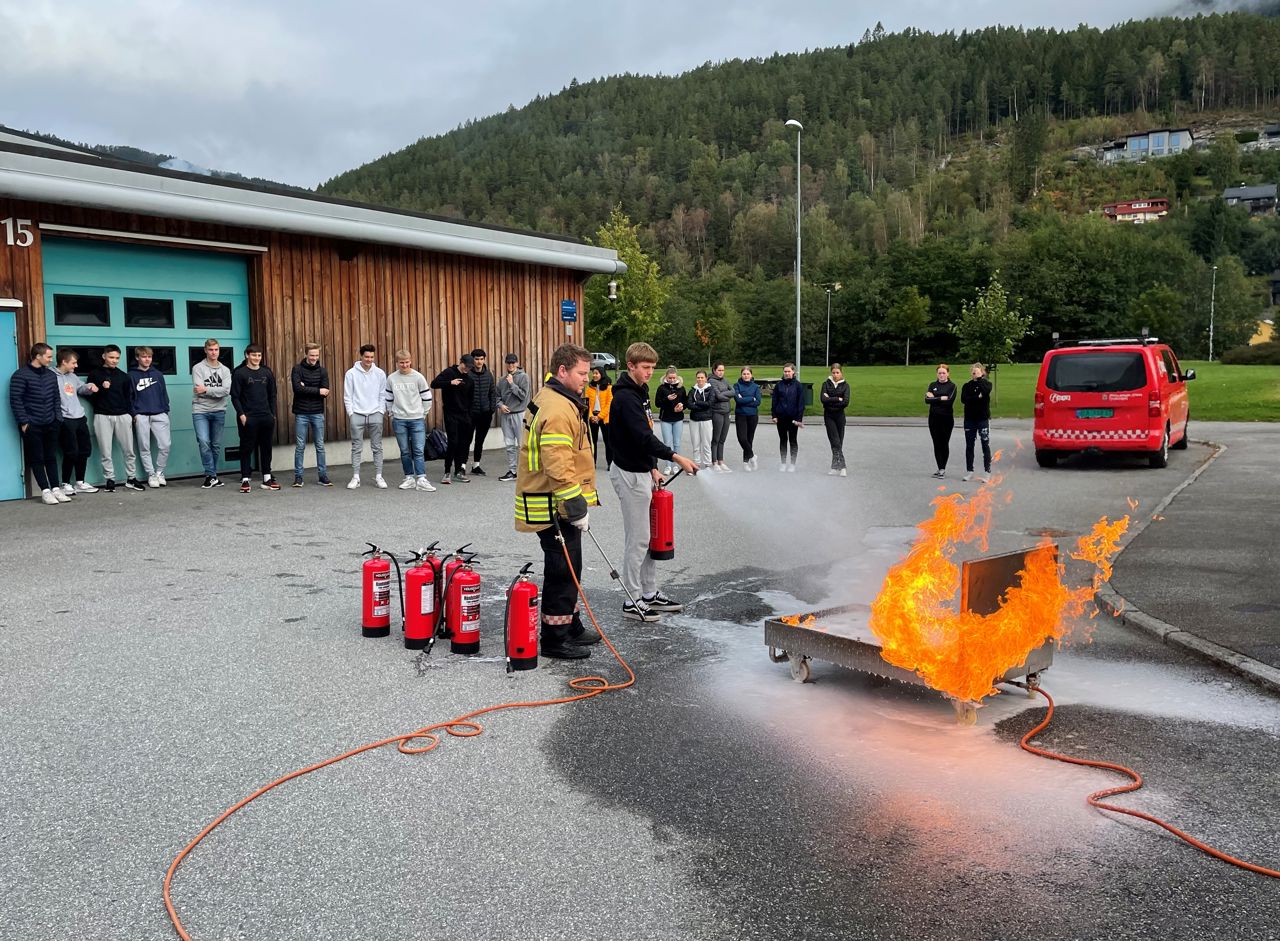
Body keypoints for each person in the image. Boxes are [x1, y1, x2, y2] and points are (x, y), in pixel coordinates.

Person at [514, 343, 600, 659]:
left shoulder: (558, 398)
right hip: (554, 507)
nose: (585, 380)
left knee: (570, 566)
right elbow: (556, 462)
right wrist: (574, 506)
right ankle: (554, 639)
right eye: (580, 374)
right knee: (562, 569)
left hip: (555, 503)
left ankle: (571, 625)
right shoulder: (558, 408)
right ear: (562, 371)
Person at [608, 342, 699, 622]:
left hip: (641, 470)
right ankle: (631, 600)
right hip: (627, 473)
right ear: (631, 366)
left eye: (652, 368)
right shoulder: (625, 398)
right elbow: (643, 438)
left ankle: (649, 594)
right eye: (645, 367)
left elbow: (644, 433)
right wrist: (676, 457)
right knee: (638, 540)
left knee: (649, 538)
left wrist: (653, 468)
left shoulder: (641, 391)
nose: (650, 372)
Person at [9, 342, 67, 504]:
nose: (51, 360)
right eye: (48, 357)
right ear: (38, 356)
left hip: (51, 422)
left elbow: (56, 398)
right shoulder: (20, 375)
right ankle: (45, 491)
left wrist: (58, 418)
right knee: (37, 458)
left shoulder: (50, 375)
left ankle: (56, 488)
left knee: (51, 456)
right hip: (32, 424)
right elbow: (16, 399)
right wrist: (24, 422)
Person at [86, 345, 140, 492]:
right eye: (111, 357)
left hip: (123, 415)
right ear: (104, 356)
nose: (114, 360)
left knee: (129, 449)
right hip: (102, 415)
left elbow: (129, 397)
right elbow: (90, 396)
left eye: (117, 358)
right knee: (105, 450)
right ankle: (110, 479)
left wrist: (131, 414)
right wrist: (103, 388)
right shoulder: (95, 374)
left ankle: (131, 478)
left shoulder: (123, 376)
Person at [231, 345, 280, 492]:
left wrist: (272, 414)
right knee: (246, 448)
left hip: (266, 417)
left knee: (266, 448)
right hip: (248, 417)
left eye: (259, 355)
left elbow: (272, 395)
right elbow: (235, 397)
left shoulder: (267, 372)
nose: (257, 358)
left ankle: (267, 478)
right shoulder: (240, 373)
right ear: (247, 355)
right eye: (254, 355)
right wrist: (241, 414)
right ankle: (245, 479)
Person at [386, 349, 435, 492]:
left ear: (411, 361)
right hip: (399, 419)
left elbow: (427, 398)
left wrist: (423, 413)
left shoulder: (418, 377)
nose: (404, 365)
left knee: (418, 450)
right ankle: (409, 478)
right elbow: (388, 398)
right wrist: (391, 414)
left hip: (417, 419)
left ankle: (421, 478)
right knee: (405, 451)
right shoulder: (391, 378)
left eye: (407, 362)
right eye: (401, 362)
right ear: (397, 363)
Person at [344, 344, 388, 489]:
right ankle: (355, 477)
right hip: (357, 414)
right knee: (356, 447)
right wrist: (351, 413)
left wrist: (381, 411)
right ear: (361, 356)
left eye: (371, 357)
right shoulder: (351, 373)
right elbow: (347, 396)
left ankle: (379, 476)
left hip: (375, 413)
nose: (369, 359)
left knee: (377, 447)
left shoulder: (380, 373)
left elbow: (383, 394)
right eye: (366, 357)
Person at [54, 349, 97, 494]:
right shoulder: (51, 376)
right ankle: (65, 483)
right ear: (64, 361)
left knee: (84, 450)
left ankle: (80, 482)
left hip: (79, 418)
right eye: (73, 362)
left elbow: (80, 388)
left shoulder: (72, 376)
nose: (76, 365)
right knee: (71, 452)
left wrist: (89, 387)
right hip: (65, 419)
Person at [290, 342, 332, 487]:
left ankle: (322, 476)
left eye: (316, 355)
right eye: (312, 355)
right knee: (300, 446)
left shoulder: (322, 371)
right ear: (306, 354)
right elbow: (297, 389)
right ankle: (298, 477)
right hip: (301, 412)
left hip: (317, 412)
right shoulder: (297, 369)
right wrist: (317, 390)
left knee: (320, 445)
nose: (314, 358)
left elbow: (325, 391)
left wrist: (305, 387)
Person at [128, 346, 171, 488]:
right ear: (137, 358)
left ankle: (160, 472)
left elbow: (164, 393)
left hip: (159, 413)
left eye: (149, 357)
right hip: (141, 415)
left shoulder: (158, 374)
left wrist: (165, 409)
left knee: (165, 445)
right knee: (144, 446)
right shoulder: (132, 375)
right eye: (144, 356)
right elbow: (129, 397)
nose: (147, 359)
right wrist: (134, 414)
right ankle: (151, 474)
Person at [192, 339, 232, 488]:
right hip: (200, 410)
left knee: (215, 445)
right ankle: (212, 475)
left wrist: (207, 390)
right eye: (211, 350)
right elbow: (198, 391)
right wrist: (216, 391)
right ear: (205, 350)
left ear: (219, 350)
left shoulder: (225, 370)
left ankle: (211, 476)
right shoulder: (198, 368)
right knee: (204, 442)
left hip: (219, 411)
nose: (213, 352)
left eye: (216, 349)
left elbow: (226, 391)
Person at [431, 353, 475, 484]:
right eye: (466, 366)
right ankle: (446, 472)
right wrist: (450, 383)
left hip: (465, 415)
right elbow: (434, 383)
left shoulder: (469, 380)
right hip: (451, 413)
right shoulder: (449, 372)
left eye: (470, 367)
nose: (467, 369)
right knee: (453, 442)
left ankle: (458, 471)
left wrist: (469, 416)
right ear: (461, 362)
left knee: (462, 443)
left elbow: (471, 399)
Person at [497, 352, 530, 482]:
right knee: (509, 444)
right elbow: (497, 396)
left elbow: (523, 396)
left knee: (522, 444)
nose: (510, 365)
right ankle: (512, 471)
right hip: (506, 415)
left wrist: (512, 384)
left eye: (513, 362)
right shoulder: (501, 380)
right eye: (508, 362)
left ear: (517, 363)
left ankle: (524, 472)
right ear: (506, 363)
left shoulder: (524, 377)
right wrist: (500, 405)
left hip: (519, 413)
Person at [467, 348, 498, 476]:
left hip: (485, 414)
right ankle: (462, 465)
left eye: (481, 359)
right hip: (470, 414)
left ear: (484, 360)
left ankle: (476, 466)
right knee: (466, 439)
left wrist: (491, 409)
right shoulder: (468, 374)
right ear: (472, 360)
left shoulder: (488, 374)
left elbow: (492, 392)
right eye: (476, 359)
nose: (479, 362)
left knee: (479, 440)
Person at [960, 362, 993, 482]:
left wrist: (980, 380)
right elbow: (964, 399)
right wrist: (976, 397)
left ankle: (987, 471)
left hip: (982, 419)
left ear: (982, 372)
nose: (975, 373)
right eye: (973, 372)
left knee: (985, 444)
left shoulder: (987, 384)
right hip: (969, 419)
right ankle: (970, 470)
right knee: (969, 445)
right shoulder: (966, 386)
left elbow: (985, 392)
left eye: (977, 372)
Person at [925, 363, 958, 479]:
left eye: (944, 373)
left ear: (948, 373)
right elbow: (927, 400)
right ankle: (940, 468)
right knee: (936, 443)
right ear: (937, 374)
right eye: (939, 373)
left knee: (944, 443)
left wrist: (934, 398)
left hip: (946, 418)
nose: (942, 375)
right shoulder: (932, 385)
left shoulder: (952, 386)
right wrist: (940, 398)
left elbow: (949, 401)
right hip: (933, 418)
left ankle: (943, 468)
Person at [771, 363, 805, 472]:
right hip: (781, 417)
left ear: (793, 372)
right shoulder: (779, 385)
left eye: (789, 371)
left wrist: (799, 419)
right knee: (783, 440)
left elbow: (801, 403)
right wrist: (774, 415)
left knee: (793, 440)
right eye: (785, 371)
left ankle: (793, 464)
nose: (787, 373)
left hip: (793, 418)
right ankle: (783, 463)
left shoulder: (798, 385)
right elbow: (775, 401)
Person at [653, 367, 686, 476]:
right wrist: (667, 399)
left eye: (673, 378)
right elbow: (657, 403)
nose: (672, 379)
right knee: (667, 443)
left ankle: (676, 465)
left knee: (677, 443)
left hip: (678, 418)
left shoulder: (681, 388)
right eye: (669, 378)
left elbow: (685, 402)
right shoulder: (661, 388)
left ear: (677, 377)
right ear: (666, 377)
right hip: (666, 418)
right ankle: (668, 465)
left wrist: (681, 406)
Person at [820, 363, 851, 477]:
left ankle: (835, 466)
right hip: (829, 416)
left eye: (837, 373)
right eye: (833, 372)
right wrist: (837, 398)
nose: (835, 375)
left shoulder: (845, 386)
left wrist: (830, 400)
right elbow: (823, 399)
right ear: (831, 373)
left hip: (840, 417)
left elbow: (845, 402)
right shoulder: (826, 384)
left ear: (841, 373)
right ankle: (842, 467)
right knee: (835, 441)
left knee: (838, 443)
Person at [733, 366, 761, 472]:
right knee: (742, 438)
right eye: (744, 374)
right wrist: (751, 398)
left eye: (748, 374)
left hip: (753, 416)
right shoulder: (737, 386)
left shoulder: (755, 387)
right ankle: (753, 456)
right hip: (741, 415)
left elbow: (758, 401)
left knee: (749, 439)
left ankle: (746, 462)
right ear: (741, 375)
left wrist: (744, 399)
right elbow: (738, 400)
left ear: (751, 375)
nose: (746, 376)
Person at [708, 362, 734, 472]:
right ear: (714, 370)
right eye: (719, 370)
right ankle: (714, 462)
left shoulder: (725, 380)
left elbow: (734, 392)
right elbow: (718, 396)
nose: (721, 372)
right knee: (716, 438)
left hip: (726, 412)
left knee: (722, 439)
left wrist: (724, 394)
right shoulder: (711, 381)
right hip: (717, 412)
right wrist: (727, 395)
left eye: (722, 370)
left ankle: (721, 461)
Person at [686, 370, 715, 469]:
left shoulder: (711, 390)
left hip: (706, 419)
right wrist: (701, 404)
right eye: (698, 377)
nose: (700, 379)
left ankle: (707, 464)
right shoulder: (692, 391)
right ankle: (696, 464)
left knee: (706, 443)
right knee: (696, 443)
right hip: (694, 420)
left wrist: (697, 403)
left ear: (706, 378)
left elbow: (709, 404)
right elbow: (689, 405)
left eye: (702, 377)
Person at [586, 366, 613, 468]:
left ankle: (610, 463)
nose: (594, 375)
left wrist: (600, 417)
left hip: (604, 418)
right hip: (593, 417)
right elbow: (587, 404)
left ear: (602, 374)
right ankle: (593, 463)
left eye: (596, 373)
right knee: (592, 441)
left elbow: (609, 404)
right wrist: (592, 416)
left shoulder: (609, 387)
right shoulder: (589, 388)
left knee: (608, 442)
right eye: (593, 373)